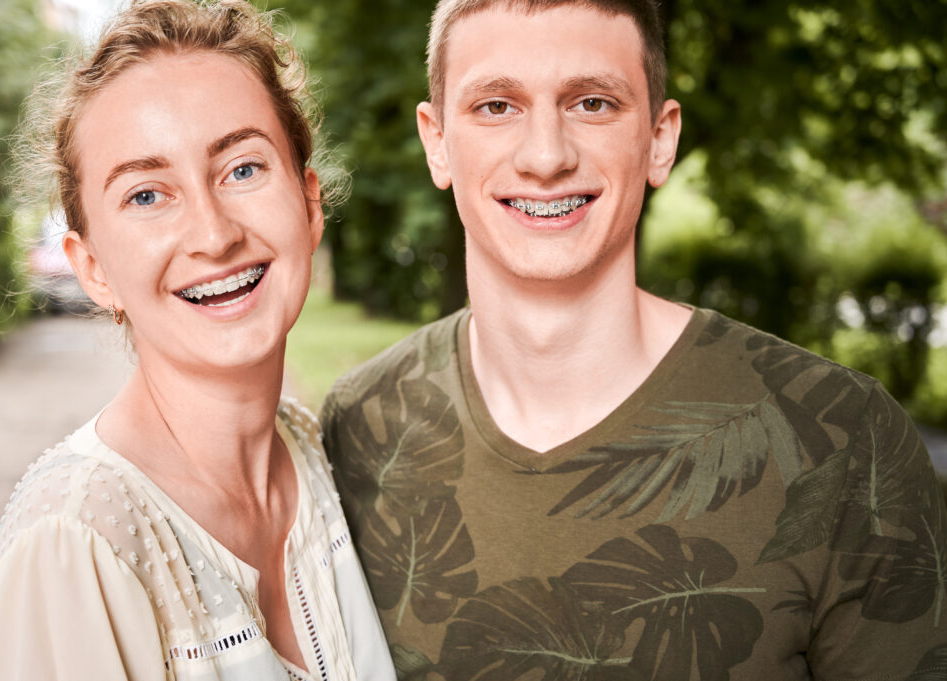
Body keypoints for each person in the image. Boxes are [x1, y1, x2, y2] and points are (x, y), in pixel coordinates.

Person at [319, 1, 947, 679]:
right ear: (436, 140)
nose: (545, 156)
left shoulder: (847, 438)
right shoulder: (358, 429)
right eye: (497, 106)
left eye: (591, 103)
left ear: (660, 138)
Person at [0, 1, 394, 679]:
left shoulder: (316, 460)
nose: (214, 235)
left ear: (308, 205)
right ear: (92, 266)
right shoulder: (78, 541)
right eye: (147, 195)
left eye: (242, 169)